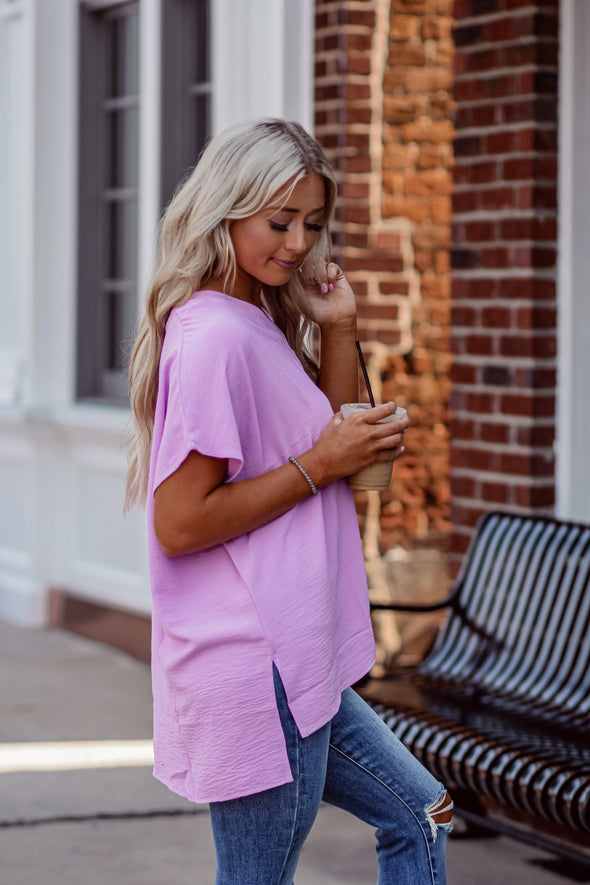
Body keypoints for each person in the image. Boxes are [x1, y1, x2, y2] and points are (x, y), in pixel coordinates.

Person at [125, 118, 452, 884]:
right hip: (255, 662)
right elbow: (180, 522)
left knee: (421, 812)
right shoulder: (214, 336)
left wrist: (338, 329)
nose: (300, 242)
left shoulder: (254, 319)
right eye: (280, 222)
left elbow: (324, 441)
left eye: (312, 222)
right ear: (225, 210)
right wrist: (320, 461)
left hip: (294, 653)